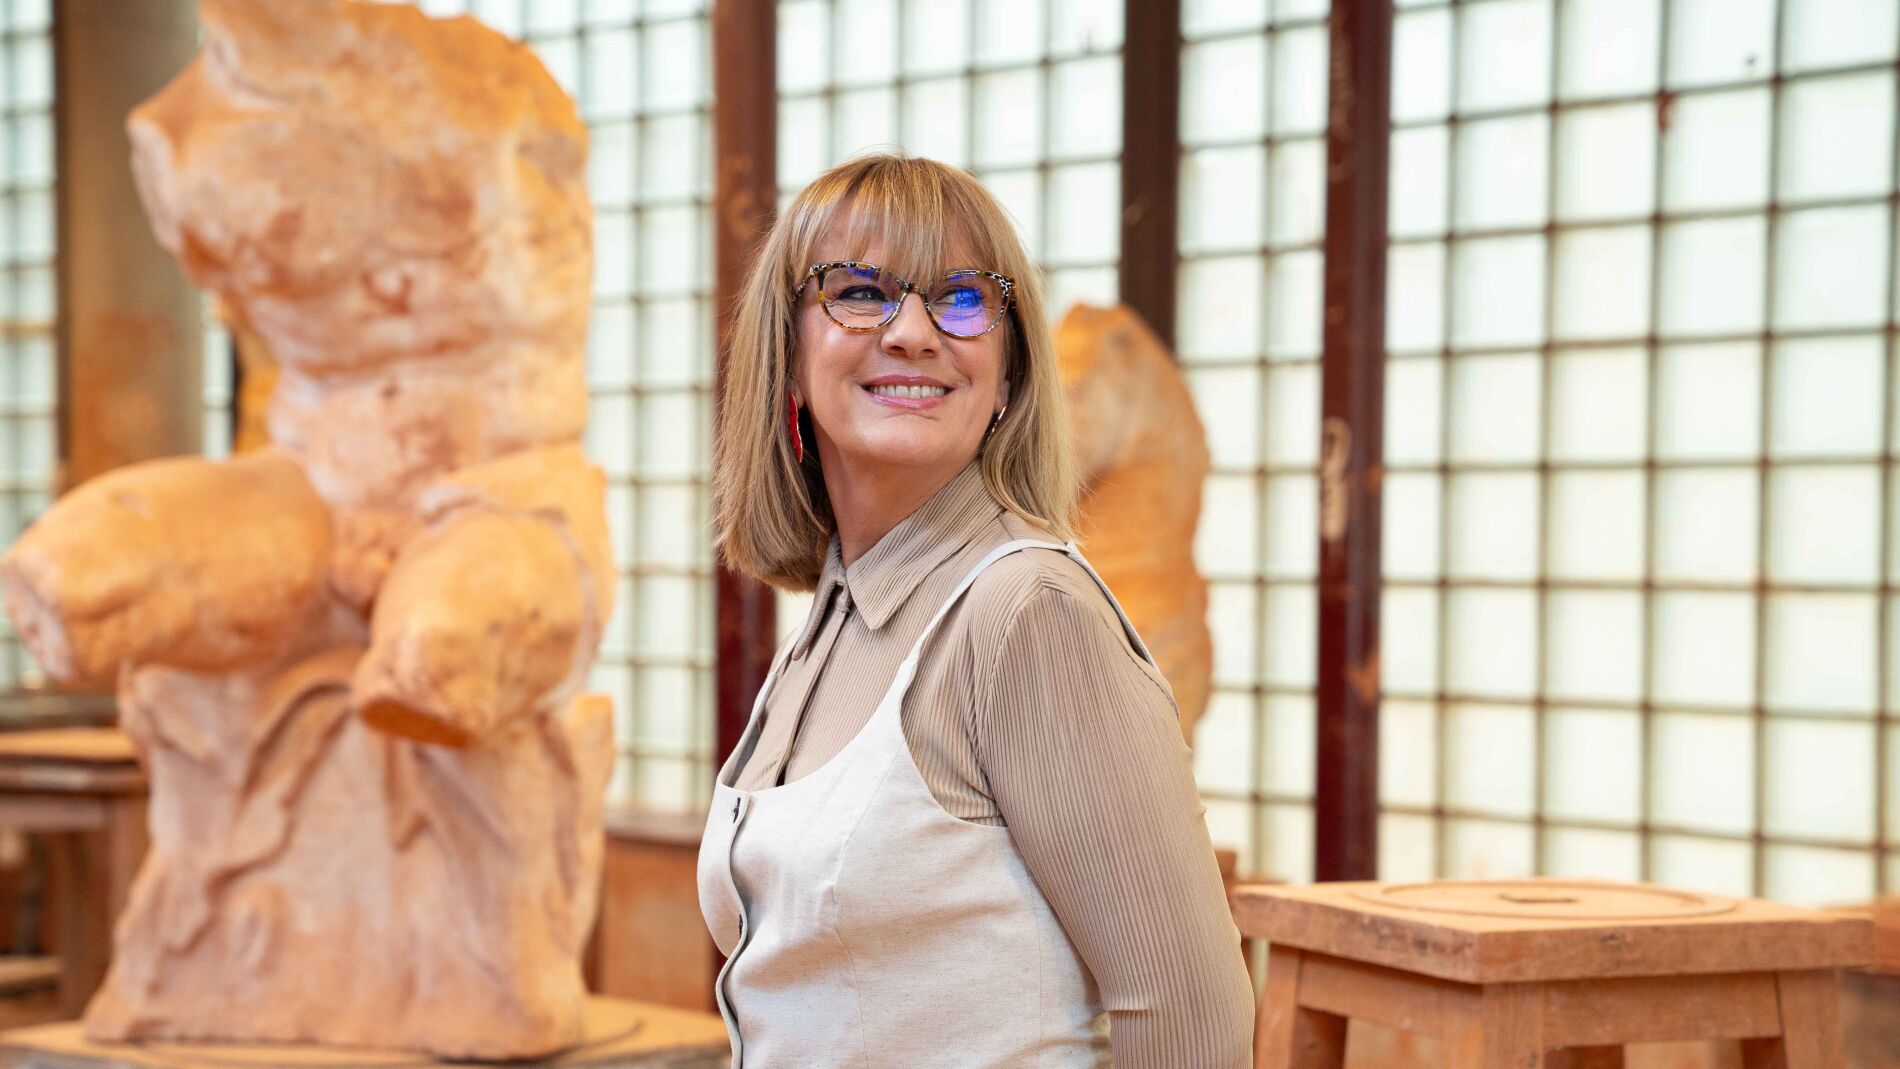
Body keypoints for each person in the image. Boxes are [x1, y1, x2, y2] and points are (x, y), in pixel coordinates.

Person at [700, 153, 1254, 1068]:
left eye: (962, 298)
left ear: (1006, 377)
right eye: (861, 291)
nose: (915, 332)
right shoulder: (835, 613)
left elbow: (1190, 1015)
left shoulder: (1028, 612)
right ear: (787, 356)